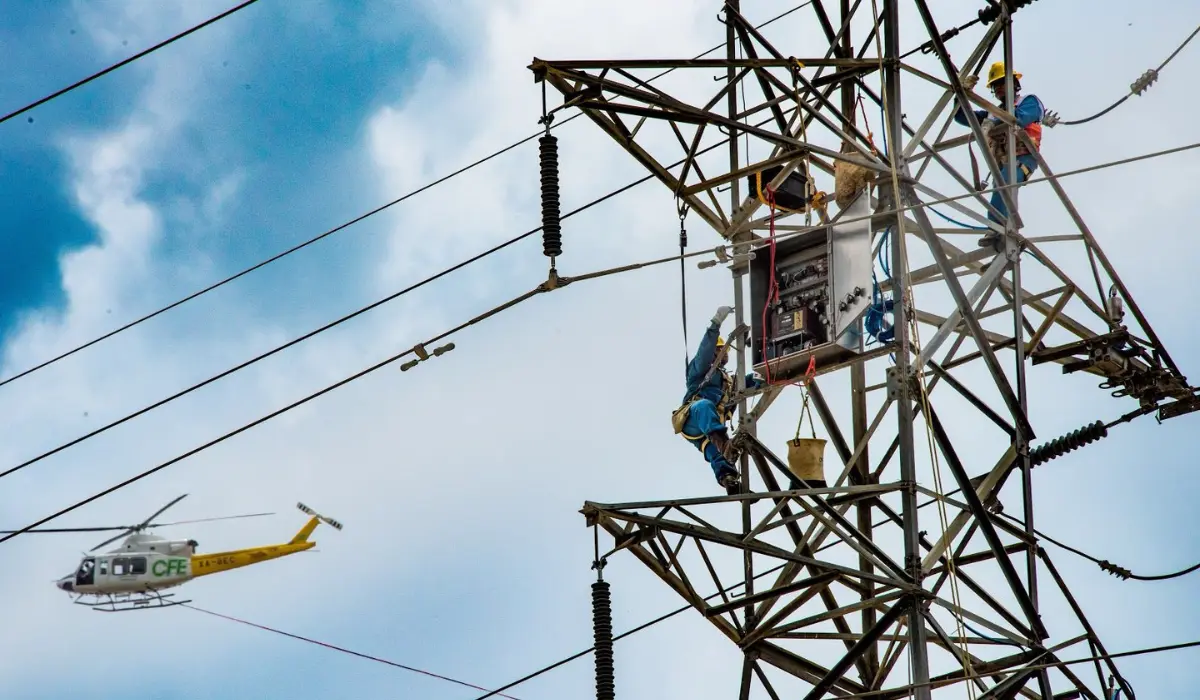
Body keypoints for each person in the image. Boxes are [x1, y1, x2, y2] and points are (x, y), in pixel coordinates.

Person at [673, 305, 763, 495]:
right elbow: (704, 354)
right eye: (721, 350)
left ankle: (729, 481)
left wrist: (770, 373)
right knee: (705, 406)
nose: (724, 354)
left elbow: (751, 381)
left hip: (709, 430)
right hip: (694, 417)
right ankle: (724, 445)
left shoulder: (728, 382)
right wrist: (715, 324)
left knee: (716, 456)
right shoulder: (700, 371)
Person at [956, 61, 1046, 247]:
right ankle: (1000, 232)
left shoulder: (1028, 101)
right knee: (1001, 187)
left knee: (1004, 185)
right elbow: (961, 116)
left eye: (1000, 84)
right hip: (1003, 161)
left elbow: (1020, 119)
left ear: (1013, 82)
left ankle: (998, 228)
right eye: (994, 86)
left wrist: (992, 125)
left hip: (1023, 157)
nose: (997, 90)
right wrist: (960, 94)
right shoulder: (991, 113)